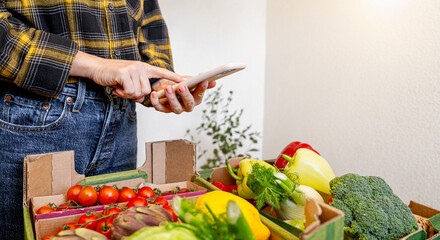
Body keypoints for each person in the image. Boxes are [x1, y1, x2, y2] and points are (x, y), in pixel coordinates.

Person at [0, 0, 214, 238]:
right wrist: (95, 66)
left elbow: (149, 23)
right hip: (34, 116)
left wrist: (158, 83)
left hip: (121, 119)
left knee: (120, 230)